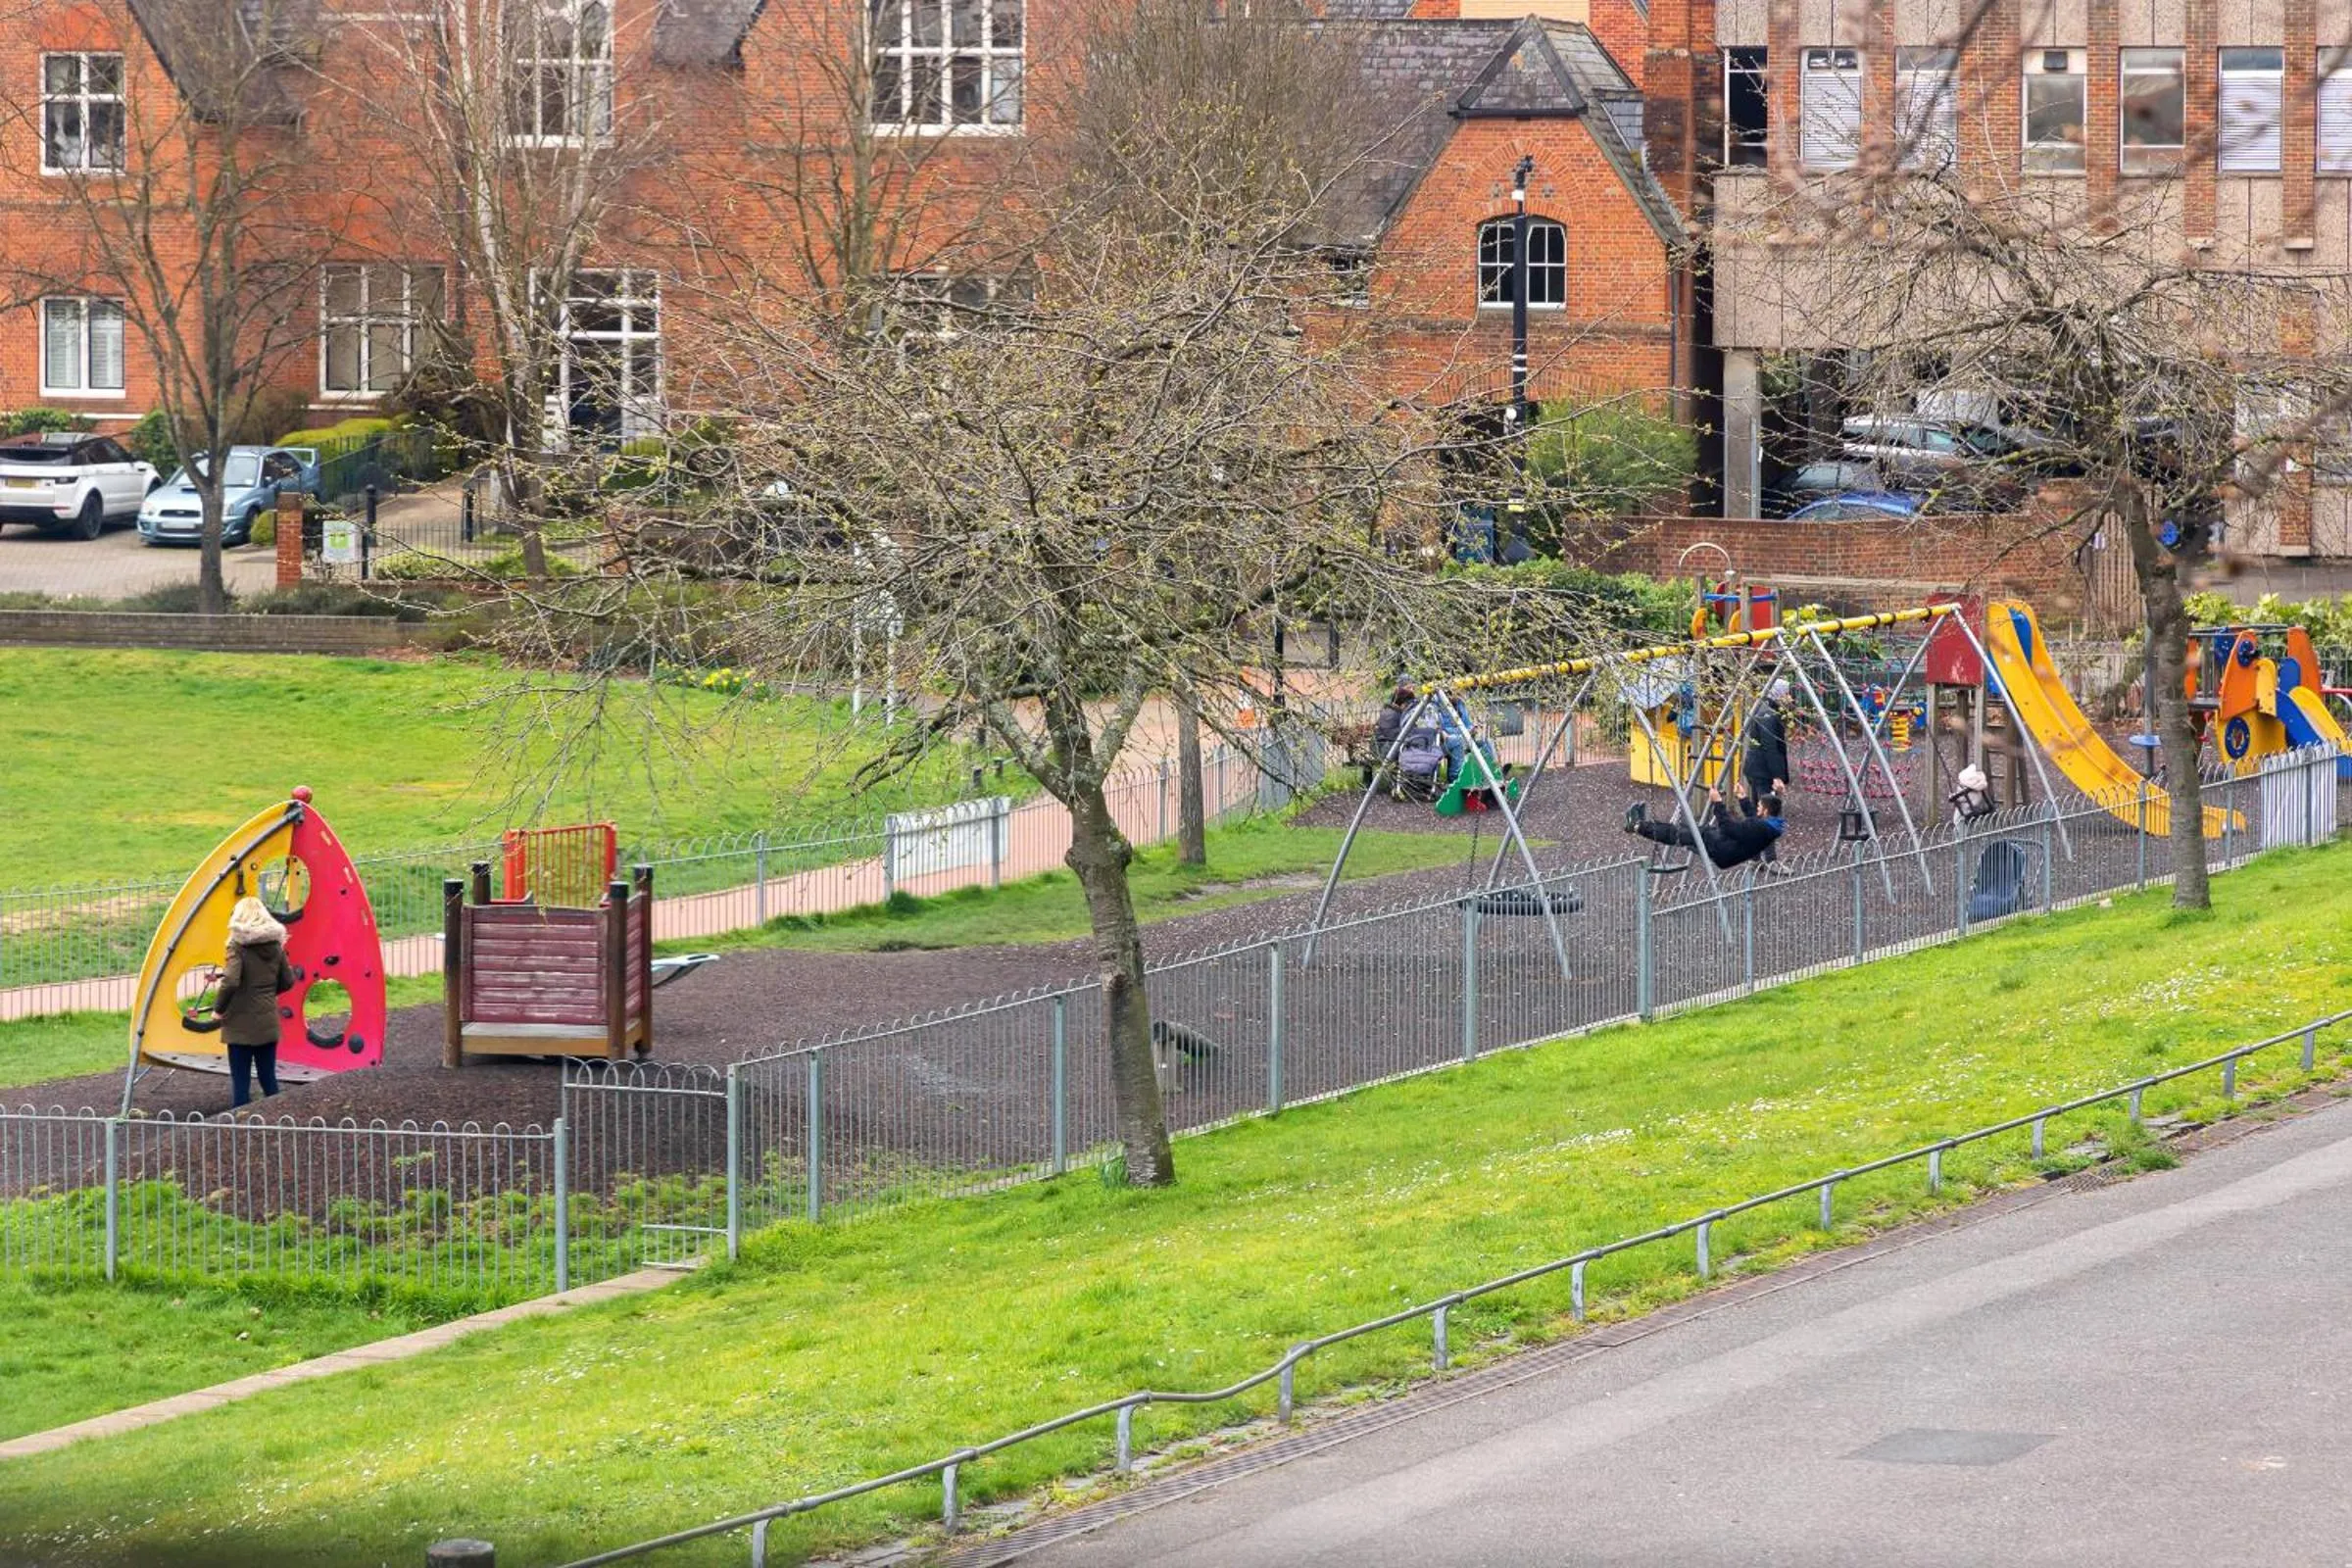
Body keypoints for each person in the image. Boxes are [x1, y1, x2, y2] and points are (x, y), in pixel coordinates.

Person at [215, 895, 295, 1110]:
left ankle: (241, 1129)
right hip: (267, 1021)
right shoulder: (276, 947)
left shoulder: (237, 947)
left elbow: (231, 981)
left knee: (241, 1082)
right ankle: (277, 1121)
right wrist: (266, 993)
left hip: (240, 1024)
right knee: (268, 1078)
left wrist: (218, 1010)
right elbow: (288, 981)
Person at [1624, 779, 1787, 870]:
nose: (1756, 806)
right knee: (1682, 829)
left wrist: (1717, 803)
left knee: (1678, 834)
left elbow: (1729, 828)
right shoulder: (1771, 824)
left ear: (1765, 811)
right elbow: (1754, 815)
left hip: (1722, 849)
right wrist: (1743, 798)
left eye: (1759, 805)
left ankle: (1637, 826)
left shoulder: (1761, 828)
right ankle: (1643, 823)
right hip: (1724, 843)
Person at [1741, 680, 1792, 869]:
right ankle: (1771, 861)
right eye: (1786, 693)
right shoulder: (1769, 715)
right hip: (1763, 770)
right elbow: (1771, 748)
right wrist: (1777, 776)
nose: (1789, 697)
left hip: (1755, 768)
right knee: (1768, 813)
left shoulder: (1762, 709)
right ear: (1779, 694)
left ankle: (1754, 858)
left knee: (1757, 813)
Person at [1371, 686, 1417, 760]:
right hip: (1383, 749)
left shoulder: (1396, 712)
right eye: (1408, 704)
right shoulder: (1390, 714)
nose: (1410, 707)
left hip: (1388, 746)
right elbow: (1393, 734)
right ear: (1402, 704)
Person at [1948, 761, 1997, 826]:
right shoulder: (1980, 786)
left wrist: (1952, 796)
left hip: (1968, 811)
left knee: (1958, 819)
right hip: (1983, 808)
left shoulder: (1965, 789)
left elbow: (1960, 799)